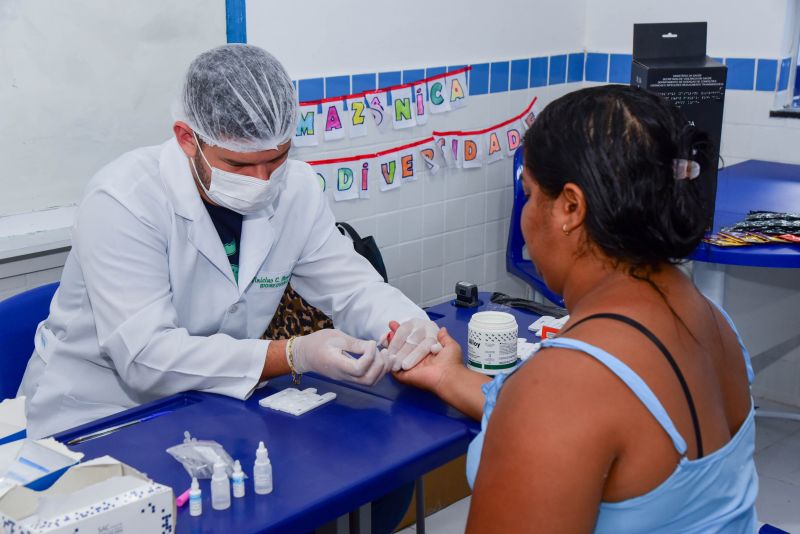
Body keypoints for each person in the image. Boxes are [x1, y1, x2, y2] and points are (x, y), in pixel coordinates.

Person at [19, 44, 440, 438]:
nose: (262, 180)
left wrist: (409, 327)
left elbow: (353, 288)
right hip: (96, 415)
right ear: (188, 138)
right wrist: (294, 355)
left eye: (276, 158)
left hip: (214, 404)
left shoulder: (297, 189)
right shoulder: (123, 200)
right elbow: (145, 357)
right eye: (238, 164)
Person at [394, 85, 758, 532]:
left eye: (528, 194)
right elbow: (599, 424)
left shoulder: (564, 387)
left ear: (570, 207)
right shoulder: (709, 319)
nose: (525, 216)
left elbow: (563, 407)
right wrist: (448, 376)